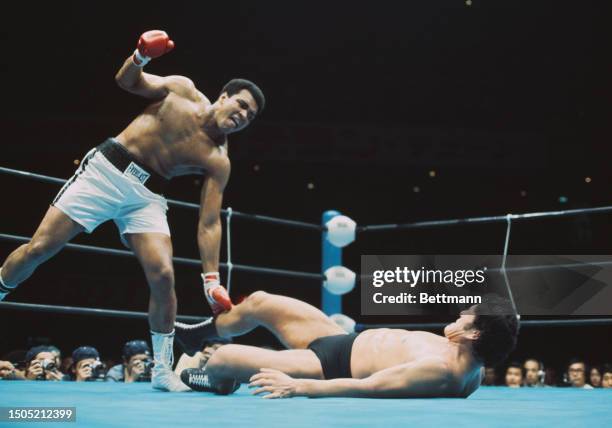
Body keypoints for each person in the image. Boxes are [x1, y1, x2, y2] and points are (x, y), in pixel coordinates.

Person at [0, 30, 264, 391]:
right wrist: (140, 56)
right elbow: (128, 82)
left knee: (163, 275)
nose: (243, 116)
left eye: (249, 116)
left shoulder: (219, 160)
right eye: (242, 105)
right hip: (106, 172)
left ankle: (161, 372)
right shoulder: (181, 90)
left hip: (147, 196)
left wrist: (211, 280)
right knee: (40, 249)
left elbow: (209, 222)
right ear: (224, 97)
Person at [175, 292, 519, 398]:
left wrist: (301, 386)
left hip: (329, 366)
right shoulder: (466, 357)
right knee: (261, 302)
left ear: (475, 334)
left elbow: (368, 386)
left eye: (467, 316)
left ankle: (217, 382)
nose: (460, 314)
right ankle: (198, 333)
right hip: (342, 341)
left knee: (223, 358)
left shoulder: (445, 372)